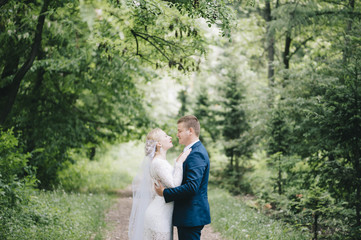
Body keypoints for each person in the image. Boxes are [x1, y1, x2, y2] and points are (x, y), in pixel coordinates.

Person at [155, 115, 211, 240]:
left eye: (179, 131)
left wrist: (165, 192)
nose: (177, 134)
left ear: (190, 131)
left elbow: (192, 187)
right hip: (187, 215)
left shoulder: (196, 153)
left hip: (191, 215)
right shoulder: (191, 151)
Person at [128, 128, 191, 240]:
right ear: (159, 144)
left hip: (162, 214)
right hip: (159, 216)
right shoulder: (158, 163)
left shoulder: (160, 161)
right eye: (166, 136)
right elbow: (174, 185)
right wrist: (179, 163)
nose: (170, 137)